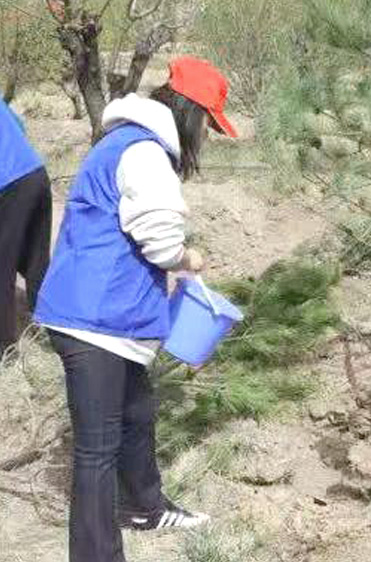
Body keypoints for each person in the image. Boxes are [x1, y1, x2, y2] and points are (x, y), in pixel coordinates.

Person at [33, 56, 238, 562]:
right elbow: (160, 240)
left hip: (106, 316)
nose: (206, 136)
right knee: (96, 452)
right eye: (208, 125)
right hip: (93, 322)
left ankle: (145, 507)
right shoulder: (144, 152)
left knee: (137, 412)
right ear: (191, 112)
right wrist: (187, 259)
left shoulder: (128, 142)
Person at [0, 99, 52, 354]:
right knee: (36, 262)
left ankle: (5, 350)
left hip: (7, 183)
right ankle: (55, 334)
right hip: (35, 173)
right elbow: (19, 125)